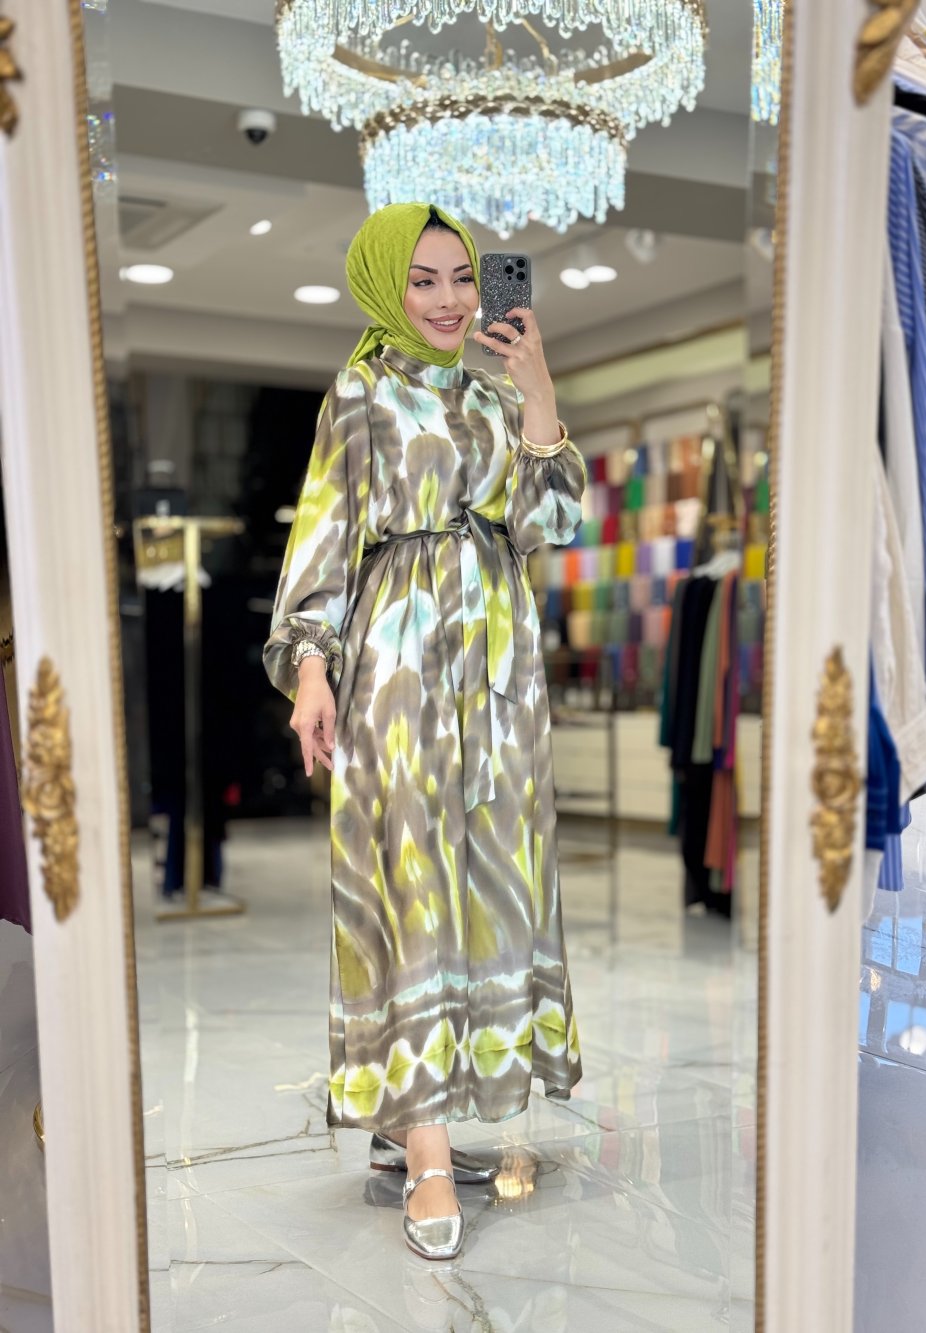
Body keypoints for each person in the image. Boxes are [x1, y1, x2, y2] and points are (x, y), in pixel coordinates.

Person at [264, 202, 585, 1261]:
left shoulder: (493, 394)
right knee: (408, 883)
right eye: (424, 279)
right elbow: (323, 538)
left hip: (499, 671)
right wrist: (312, 669)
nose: (449, 299)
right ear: (383, 287)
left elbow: (550, 522)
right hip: (399, 665)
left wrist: (537, 387)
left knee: (488, 879)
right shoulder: (360, 391)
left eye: (461, 277)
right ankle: (430, 1154)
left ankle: (412, 1123)